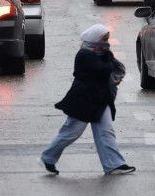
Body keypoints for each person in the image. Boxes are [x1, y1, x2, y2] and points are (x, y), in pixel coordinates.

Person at [41, 24, 135, 175]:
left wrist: (109, 63)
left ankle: (114, 164)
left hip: (101, 100)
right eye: (104, 39)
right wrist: (109, 63)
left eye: (107, 39)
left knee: (106, 132)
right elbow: (103, 70)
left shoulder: (103, 54)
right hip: (83, 102)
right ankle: (48, 157)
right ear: (95, 39)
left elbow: (116, 68)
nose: (106, 42)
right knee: (71, 132)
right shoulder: (84, 54)